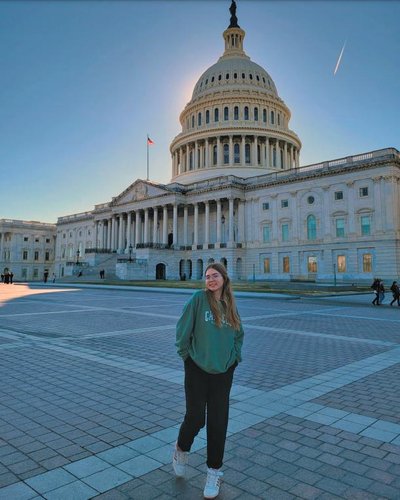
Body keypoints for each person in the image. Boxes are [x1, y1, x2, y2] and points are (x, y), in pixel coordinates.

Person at [173, 263, 244, 499]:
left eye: (215, 276)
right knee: (195, 418)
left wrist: (234, 358)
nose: (211, 280)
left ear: (224, 278)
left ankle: (214, 471)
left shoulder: (231, 305)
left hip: (223, 372)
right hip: (197, 368)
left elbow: (238, 335)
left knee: (218, 422)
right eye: (207, 276)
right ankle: (181, 449)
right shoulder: (198, 299)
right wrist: (187, 358)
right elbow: (182, 330)